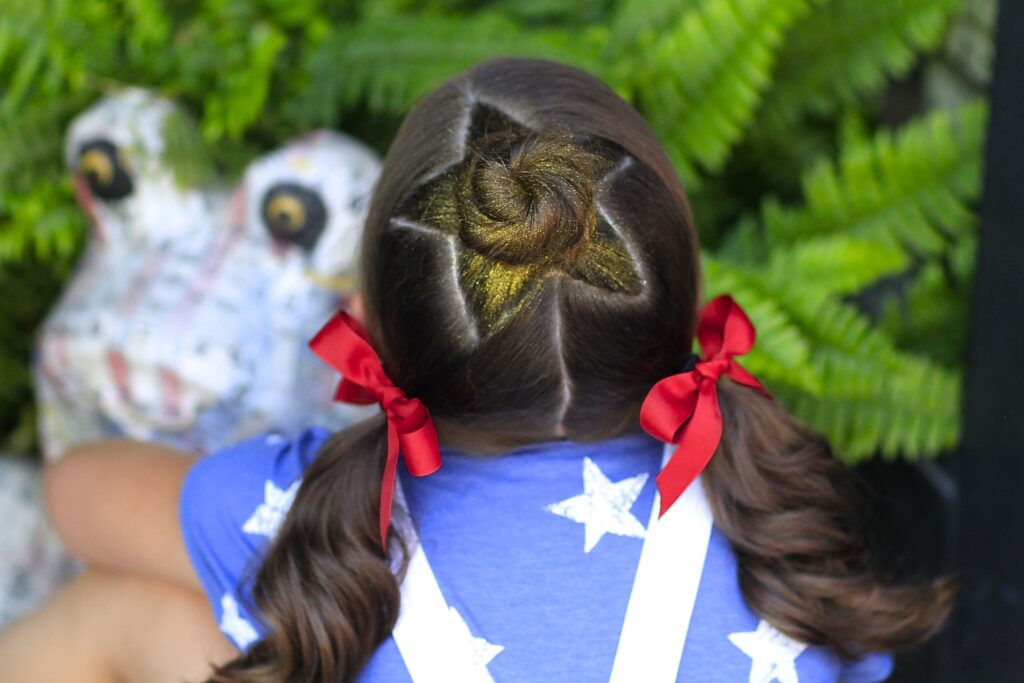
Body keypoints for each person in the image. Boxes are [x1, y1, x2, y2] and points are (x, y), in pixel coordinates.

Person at [0, 58, 952, 683]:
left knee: (121, 610)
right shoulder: (781, 527)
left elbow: (78, 492)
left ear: (367, 326)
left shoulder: (297, 507)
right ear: (686, 293)